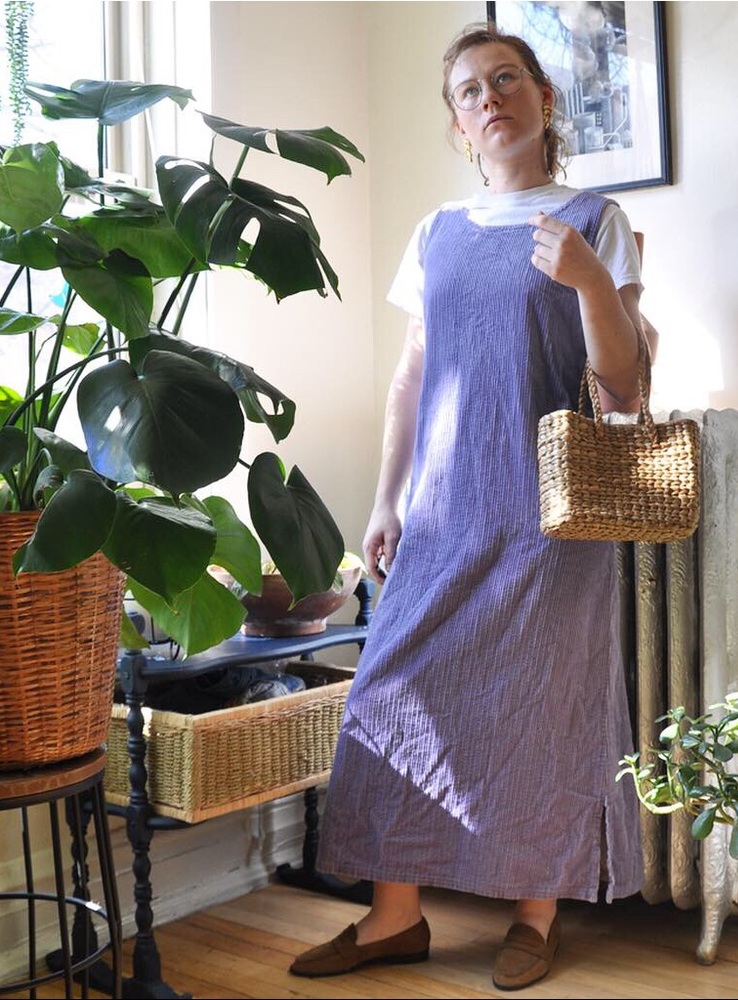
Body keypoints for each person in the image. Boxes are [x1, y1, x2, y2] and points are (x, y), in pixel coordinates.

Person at [290, 21, 647, 991]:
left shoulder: (591, 221)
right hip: (444, 512)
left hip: (549, 523)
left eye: (505, 79)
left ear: (540, 97)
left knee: (542, 713)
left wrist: (584, 280)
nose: (488, 98)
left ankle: (534, 916)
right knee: (386, 696)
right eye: (468, 91)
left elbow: (624, 387)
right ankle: (393, 914)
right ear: (457, 124)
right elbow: (411, 375)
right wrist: (384, 500)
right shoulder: (434, 233)